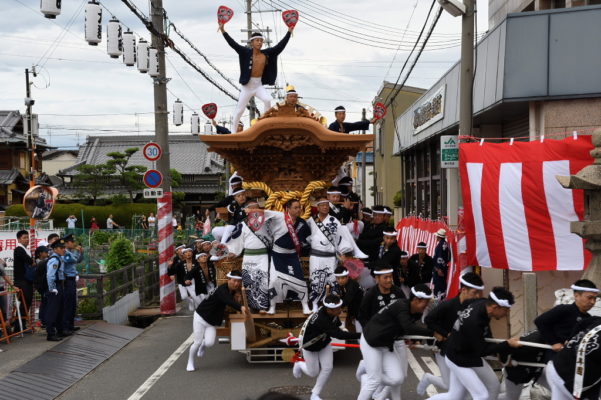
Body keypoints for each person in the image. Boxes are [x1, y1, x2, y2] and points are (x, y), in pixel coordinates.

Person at [429, 287, 521, 400]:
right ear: (495, 307)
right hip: (458, 359)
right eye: (506, 310)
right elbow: (482, 350)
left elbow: (466, 303)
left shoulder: (481, 303)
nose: (506, 314)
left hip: (468, 352)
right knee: (480, 395)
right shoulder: (474, 322)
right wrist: (507, 344)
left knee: (494, 386)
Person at [357, 284, 434, 400]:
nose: (427, 306)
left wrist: (414, 340)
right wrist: (433, 333)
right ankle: (369, 372)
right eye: (426, 302)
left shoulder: (416, 312)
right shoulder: (401, 306)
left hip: (386, 344)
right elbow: (408, 327)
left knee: (398, 378)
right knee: (374, 381)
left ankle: (367, 372)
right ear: (416, 300)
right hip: (371, 342)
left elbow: (405, 328)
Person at [219, 19, 294, 132]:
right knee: (240, 110)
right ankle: (233, 133)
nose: (260, 42)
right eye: (257, 40)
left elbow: (280, 47)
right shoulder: (245, 52)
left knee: (268, 100)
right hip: (247, 86)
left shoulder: (267, 54)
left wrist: (288, 32)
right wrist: (223, 31)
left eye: (261, 41)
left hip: (258, 85)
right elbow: (233, 44)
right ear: (252, 42)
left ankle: (263, 124)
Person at [418, 272, 485, 395]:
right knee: (449, 385)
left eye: (479, 293)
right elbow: (429, 320)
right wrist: (442, 333)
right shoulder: (448, 305)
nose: (477, 297)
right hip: (443, 348)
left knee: (460, 389)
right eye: (474, 293)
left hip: (460, 351)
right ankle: (428, 378)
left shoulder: (474, 307)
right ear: (463, 290)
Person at [292, 294, 361, 400]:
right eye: (337, 308)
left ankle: (315, 394)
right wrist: (361, 335)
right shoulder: (322, 319)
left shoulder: (331, 313)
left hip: (324, 343)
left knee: (328, 368)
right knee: (313, 373)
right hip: (310, 346)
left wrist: (343, 328)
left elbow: (337, 325)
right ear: (329, 310)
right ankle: (299, 363)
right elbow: (339, 335)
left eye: (339, 306)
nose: (340, 310)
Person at [186, 270, 248, 371]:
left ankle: (203, 344)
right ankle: (190, 362)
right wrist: (241, 307)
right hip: (200, 317)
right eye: (234, 281)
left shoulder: (231, 290)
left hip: (211, 322)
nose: (236, 284)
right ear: (228, 279)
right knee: (196, 342)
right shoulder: (222, 290)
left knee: (209, 343)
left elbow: (230, 299)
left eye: (238, 281)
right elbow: (228, 300)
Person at [224, 201, 275, 312]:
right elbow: (236, 241)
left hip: (263, 257)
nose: (255, 211)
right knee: (249, 282)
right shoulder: (242, 225)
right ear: (247, 211)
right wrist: (232, 251)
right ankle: (251, 306)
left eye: (257, 209)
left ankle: (262, 307)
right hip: (249, 257)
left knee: (263, 281)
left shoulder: (267, 223)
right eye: (252, 209)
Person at [306, 197, 354, 312]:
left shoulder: (334, 220)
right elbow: (307, 237)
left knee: (332, 279)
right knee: (316, 279)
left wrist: (342, 252)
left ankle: (331, 303)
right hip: (316, 256)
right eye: (322, 205)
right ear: (317, 207)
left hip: (330, 257)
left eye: (327, 205)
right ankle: (315, 303)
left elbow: (340, 238)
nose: (325, 207)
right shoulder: (311, 221)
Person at [264, 199, 312, 314]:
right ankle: (272, 306)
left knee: (299, 280)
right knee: (273, 281)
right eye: (295, 207)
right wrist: (251, 210)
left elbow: (307, 239)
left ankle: (305, 306)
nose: (298, 209)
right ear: (288, 209)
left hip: (292, 256)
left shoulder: (302, 223)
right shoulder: (279, 217)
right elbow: (264, 213)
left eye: (299, 207)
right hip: (277, 255)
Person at [545, 316, 601, 400]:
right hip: (571, 379)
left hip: (556, 365)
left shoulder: (598, 320)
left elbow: (581, 323)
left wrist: (570, 339)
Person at [534, 279, 597, 352]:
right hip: (556, 355)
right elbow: (540, 321)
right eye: (589, 298)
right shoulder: (564, 309)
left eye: (595, 298)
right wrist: (554, 342)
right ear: (576, 296)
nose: (593, 302)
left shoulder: (588, 318)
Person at [357, 264, 405, 329]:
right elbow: (362, 316)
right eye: (385, 277)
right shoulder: (370, 294)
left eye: (390, 277)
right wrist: (370, 330)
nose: (389, 280)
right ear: (377, 278)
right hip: (377, 331)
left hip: (396, 331)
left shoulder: (398, 292)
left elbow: (405, 311)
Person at [45, 239, 67, 341]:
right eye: (61, 248)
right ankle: (50, 333)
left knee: (60, 309)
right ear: (55, 249)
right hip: (55, 287)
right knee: (53, 310)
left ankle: (60, 330)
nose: (64, 249)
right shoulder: (54, 259)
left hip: (60, 285)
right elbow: (50, 275)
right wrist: (52, 288)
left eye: (64, 247)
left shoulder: (59, 258)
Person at [331, 266, 363, 332]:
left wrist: (335, 307)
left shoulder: (352, 285)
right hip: (354, 310)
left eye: (342, 278)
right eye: (338, 278)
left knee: (360, 331)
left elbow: (347, 300)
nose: (340, 280)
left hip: (362, 311)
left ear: (347, 276)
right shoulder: (342, 285)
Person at [13, 230, 34, 331]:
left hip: (27, 281)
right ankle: (18, 327)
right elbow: (30, 261)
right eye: (24, 237)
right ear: (19, 239)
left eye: (27, 237)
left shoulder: (26, 250)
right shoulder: (18, 249)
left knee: (27, 303)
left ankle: (22, 326)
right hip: (21, 281)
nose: (27, 239)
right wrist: (32, 262)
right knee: (23, 303)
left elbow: (31, 262)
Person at [62, 234, 83, 333]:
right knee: (68, 304)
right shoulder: (65, 253)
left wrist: (80, 252)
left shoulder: (70, 252)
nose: (74, 244)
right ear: (66, 243)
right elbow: (74, 259)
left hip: (72, 279)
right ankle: (66, 327)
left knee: (72, 304)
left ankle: (70, 325)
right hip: (67, 280)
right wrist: (77, 251)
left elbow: (78, 260)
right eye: (72, 242)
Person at [33, 246, 50, 328]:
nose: (47, 254)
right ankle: (43, 320)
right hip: (42, 285)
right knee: (45, 302)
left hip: (43, 285)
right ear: (40, 253)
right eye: (46, 252)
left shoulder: (43, 261)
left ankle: (44, 319)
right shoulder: (39, 262)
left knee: (45, 302)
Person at [432, 229, 451, 298]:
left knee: (439, 286)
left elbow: (440, 258)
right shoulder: (445, 244)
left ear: (439, 237)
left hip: (440, 269)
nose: (436, 237)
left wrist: (438, 269)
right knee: (442, 285)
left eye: (437, 236)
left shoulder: (440, 245)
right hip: (444, 267)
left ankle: (439, 301)